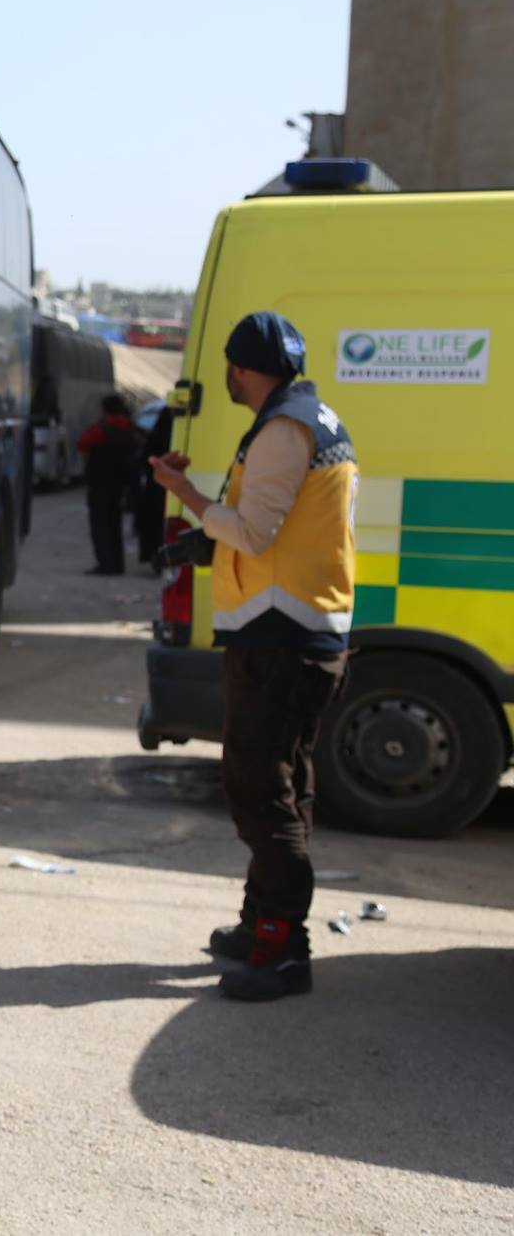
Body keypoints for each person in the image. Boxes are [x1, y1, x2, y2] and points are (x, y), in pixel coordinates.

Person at [150, 311, 355, 1002]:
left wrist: (185, 495)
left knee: (261, 793)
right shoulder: (307, 418)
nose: (231, 383)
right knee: (281, 786)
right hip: (292, 632)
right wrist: (200, 540)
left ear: (242, 369)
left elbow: (255, 533)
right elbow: (267, 530)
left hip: (282, 636)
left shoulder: (282, 430)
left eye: (231, 373)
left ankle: (283, 949)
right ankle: (260, 921)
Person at [76, 393, 138, 575]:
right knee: (115, 524)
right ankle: (118, 564)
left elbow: (82, 444)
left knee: (100, 525)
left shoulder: (102, 429)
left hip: (100, 483)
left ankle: (105, 564)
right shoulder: (129, 427)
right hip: (120, 483)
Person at [135, 400, 175, 567]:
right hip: (168, 487)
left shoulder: (156, 436)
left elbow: (144, 460)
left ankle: (155, 557)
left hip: (154, 488)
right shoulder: (172, 437)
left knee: (153, 525)